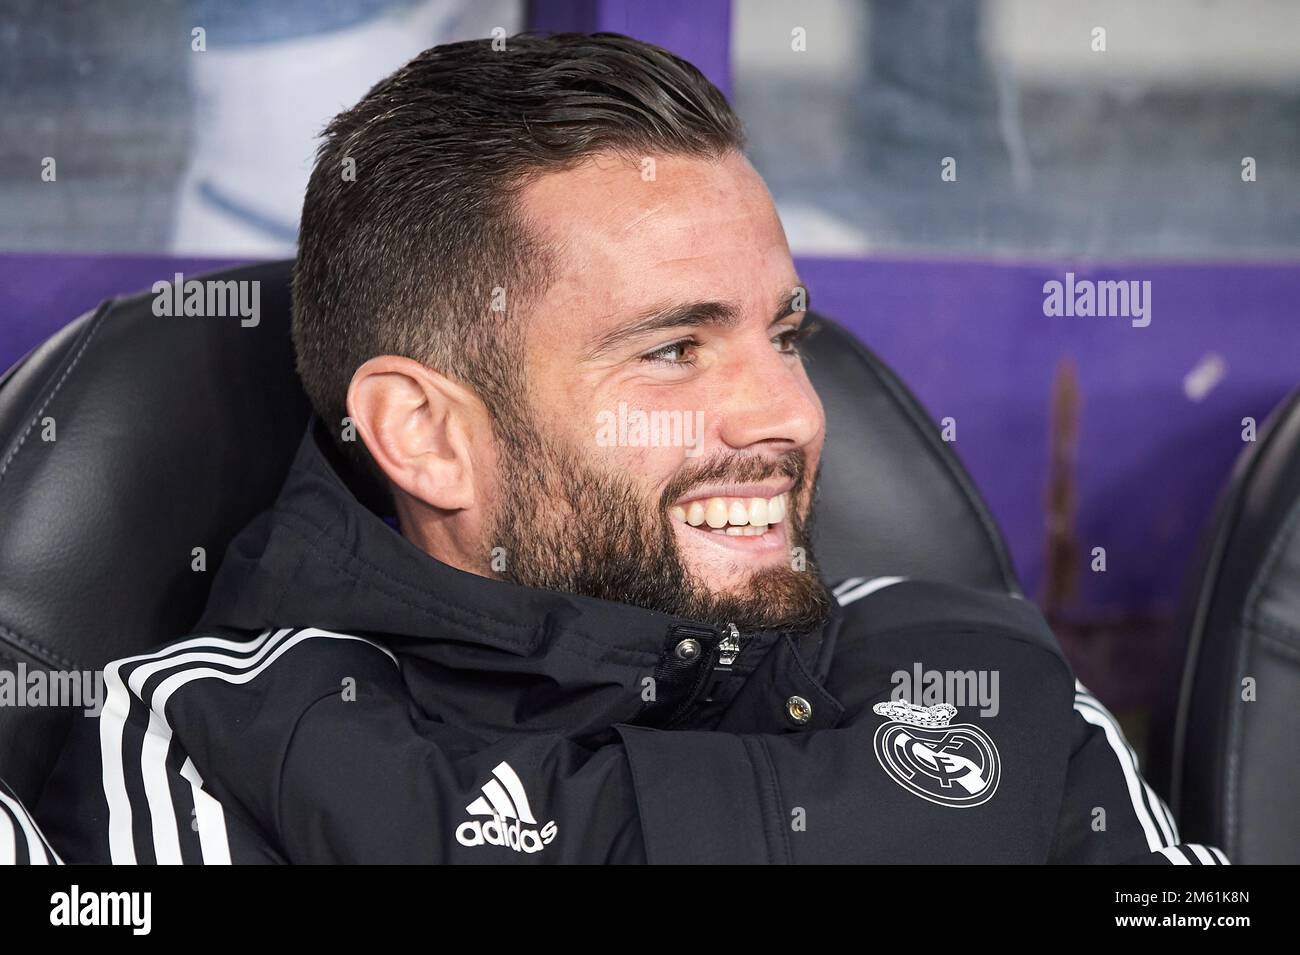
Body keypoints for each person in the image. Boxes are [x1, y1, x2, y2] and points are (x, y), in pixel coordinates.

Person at [32, 33, 1225, 864]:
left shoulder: (970, 668)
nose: (790, 417)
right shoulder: (224, 745)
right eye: (672, 351)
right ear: (426, 435)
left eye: (784, 333)